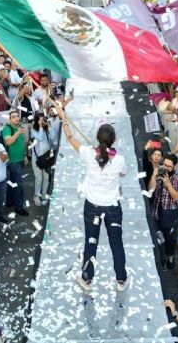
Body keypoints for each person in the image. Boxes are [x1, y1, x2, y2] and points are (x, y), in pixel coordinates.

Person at [56, 105, 129, 291]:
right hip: (112, 208)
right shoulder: (119, 159)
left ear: (98, 138)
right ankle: (121, 279)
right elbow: (122, 174)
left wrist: (64, 120)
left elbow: (71, 138)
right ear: (114, 140)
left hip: (93, 207)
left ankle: (87, 279)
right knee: (116, 243)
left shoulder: (89, 153)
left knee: (91, 241)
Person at [148, 152, 178, 269]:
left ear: (174, 166)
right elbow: (150, 189)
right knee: (157, 236)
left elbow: (176, 197)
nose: (166, 168)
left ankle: (170, 256)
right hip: (156, 210)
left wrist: (168, 183)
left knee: (170, 238)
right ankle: (160, 258)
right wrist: (154, 175)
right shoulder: (160, 173)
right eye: (164, 165)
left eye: (169, 166)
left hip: (170, 212)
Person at [2, 110, 30, 217]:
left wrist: (24, 155)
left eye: (17, 116)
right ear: (9, 119)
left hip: (20, 159)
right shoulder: (7, 129)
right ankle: (19, 207)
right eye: (14, 117)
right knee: (19, 185)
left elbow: (22, 143)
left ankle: (9, 202)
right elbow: (8, 142)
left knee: (12, 182)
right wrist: (18, 132)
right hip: (13, 161)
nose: (17, 118)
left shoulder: (19, 128)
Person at [29, 112, 53, 206]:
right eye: (40, 119)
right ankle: (36, 196)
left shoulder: (46, 128)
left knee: (46, 178)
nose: (42, 121)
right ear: (36, 121)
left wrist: (49, 126)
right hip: (37, 158)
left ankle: (43, 195)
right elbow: (40, 138)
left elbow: (53, 138)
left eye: (43, 119)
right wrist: (41, 127)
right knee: (38, 178)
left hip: (46, 156)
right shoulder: (34, 130)